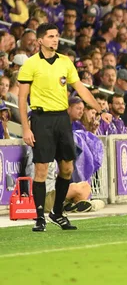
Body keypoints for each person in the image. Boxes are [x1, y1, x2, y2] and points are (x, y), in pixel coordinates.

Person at [18, 23, 112, 232]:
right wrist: (26, 128)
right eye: (50, 36)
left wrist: (99, 108)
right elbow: (22, 98)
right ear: (40, 40)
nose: (55, 39)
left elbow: (81, 89)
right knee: (41, 169)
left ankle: (57, 213)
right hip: (41, 119)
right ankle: (39, 217)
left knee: (67, 168)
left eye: (57, 36)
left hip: (62, 118)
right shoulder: (30, 64)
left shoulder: (65, 62)